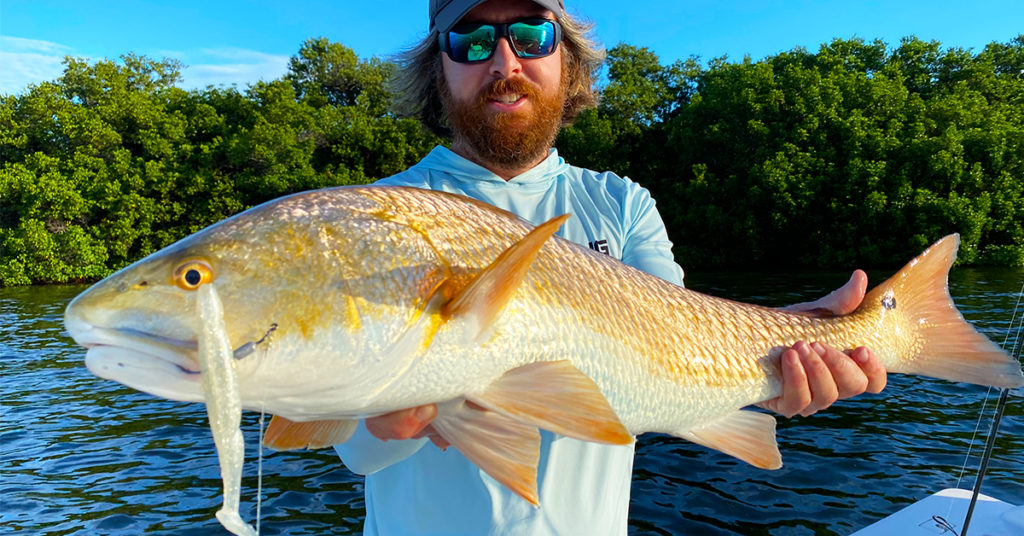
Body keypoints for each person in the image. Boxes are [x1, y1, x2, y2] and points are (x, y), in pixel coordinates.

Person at [334, 0, 888, 534]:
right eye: (470, 41)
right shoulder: (373, 216)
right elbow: (352, 447)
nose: (504, 62)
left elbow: (680, 346)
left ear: (567, 61)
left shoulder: (622, 204)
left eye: (532, 35)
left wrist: (786, 356)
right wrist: (381, 422)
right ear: (438, 72)